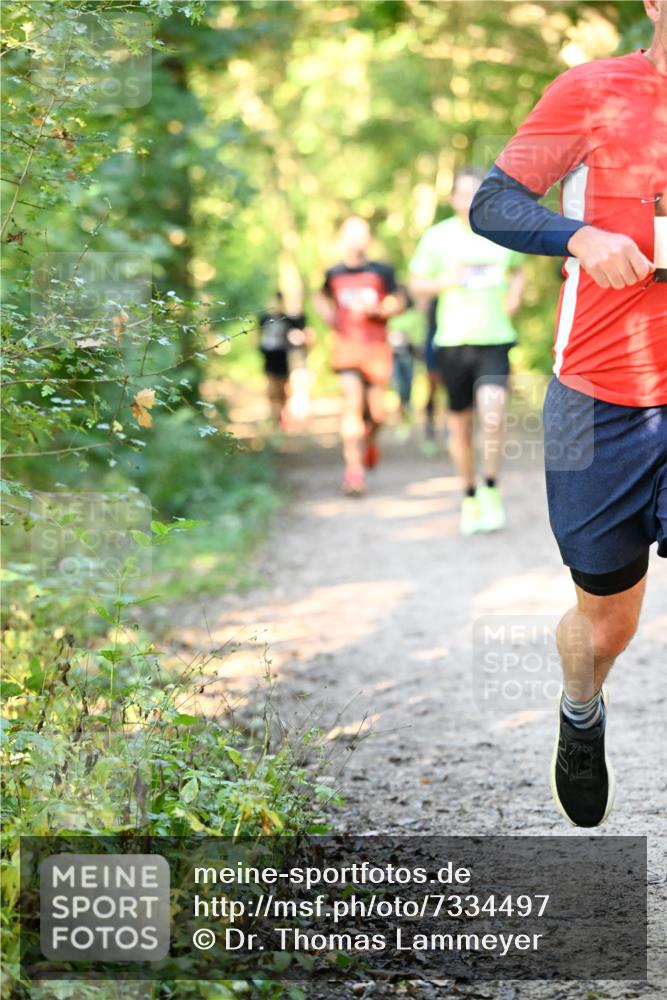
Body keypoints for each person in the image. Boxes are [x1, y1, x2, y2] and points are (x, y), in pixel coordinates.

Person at [469, 0, 667, 827]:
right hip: (597, 398)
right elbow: (494, 202)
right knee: (605, 621)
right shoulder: (594, 91)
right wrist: (577, 237)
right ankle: (580, 709)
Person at [409, 167, 524, 533]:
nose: (470, 199)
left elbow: (519, 269)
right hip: (453, 342)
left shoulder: (502, 234)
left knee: (492, 415)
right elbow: (415, 285)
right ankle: (469, 495)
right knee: (460, 425)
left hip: (495, 338)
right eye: (464, 193)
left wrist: (515, 293)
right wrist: (444, 281)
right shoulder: (436, 238)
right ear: (453, 199)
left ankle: (491, 488)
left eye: (478, 192)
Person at [314, 216, 405, 496]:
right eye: (351, 234)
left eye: (362, 233)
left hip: (376, 348)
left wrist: (384, 309)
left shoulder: (382, 271)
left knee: (377, 414)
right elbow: (319, 296)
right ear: (343, 238)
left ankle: (371, 441)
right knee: (351, 406)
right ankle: (353, 473)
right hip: (347, 348)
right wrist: (328, 316)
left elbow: (401, 299)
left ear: (368, 239)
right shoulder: (334, 273)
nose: (357, 239)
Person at [258, 292, 307, 429]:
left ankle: (281, 413)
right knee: (272, 385)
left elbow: (301, 326)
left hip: (283, 355)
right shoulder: (265, 318)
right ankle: (274, 413)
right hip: (269, 356)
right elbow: (257, 334)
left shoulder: (287, 319)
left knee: (283, 386)